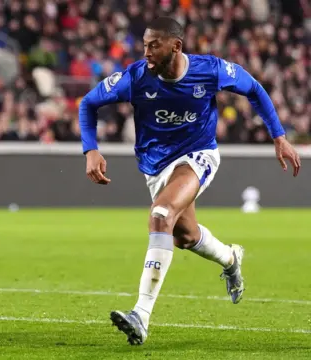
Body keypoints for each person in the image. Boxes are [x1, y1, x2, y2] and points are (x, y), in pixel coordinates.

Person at [78, 17, 301, 346]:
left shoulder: (210, 70)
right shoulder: (135, 78)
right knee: (185, 237)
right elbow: (89, 103)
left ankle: (141, 314)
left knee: (161, 214)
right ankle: (230, 258)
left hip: (198, 155)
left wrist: (279, 136)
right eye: (144, 45)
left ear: (175, 46)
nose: (147, 52)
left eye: (154, 45)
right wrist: (91, 150)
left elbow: (254, 88)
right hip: (155, 166)